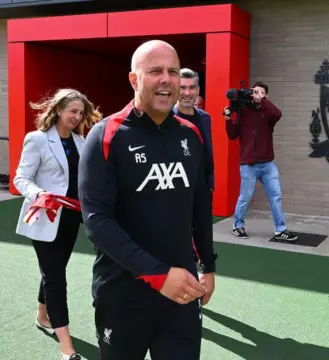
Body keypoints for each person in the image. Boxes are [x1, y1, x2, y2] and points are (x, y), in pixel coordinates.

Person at [77, 40, 217, 360]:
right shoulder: (105, 136)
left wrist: (207, 265)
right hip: (122, 297)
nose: (166, 79)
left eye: (172, 71)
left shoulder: (190, 135)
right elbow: (97, 221)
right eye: (155, 71)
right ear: (134, 79)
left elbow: (199, 205)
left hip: (180, 296)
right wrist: (158, 274)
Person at [13, 88, 102, 360]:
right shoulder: (37, 140)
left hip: (72, 217)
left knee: (54, 269)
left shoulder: (82, 142)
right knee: (55, 277)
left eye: (80, 112)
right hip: (44, 217)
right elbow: (20, 178)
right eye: (72, 111)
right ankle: (67, 346)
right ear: (58, 109)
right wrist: (39, 194)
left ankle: (42, 316)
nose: (76, 117)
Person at [224, 82, 298, 241]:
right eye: (255, 91)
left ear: (265, 96)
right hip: (248, 164)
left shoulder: (268, 114)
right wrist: (228, 118)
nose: (257, 94)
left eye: (261, 92)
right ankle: (238, 225)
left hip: (267, 164)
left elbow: (278, 114)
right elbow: (232, 135)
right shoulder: (244, 111)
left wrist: (262, 100)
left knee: (276, 195)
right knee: (245, 196)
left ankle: (280, 229)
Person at [173, 68, 214, 191]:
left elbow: (208, 153)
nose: (187, 93)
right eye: (182, 87)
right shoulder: (166, 118)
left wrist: (210, 184)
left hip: (202, 189)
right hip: (176, 189)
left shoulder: (205, 118)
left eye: (191, 87)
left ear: (198, 90)